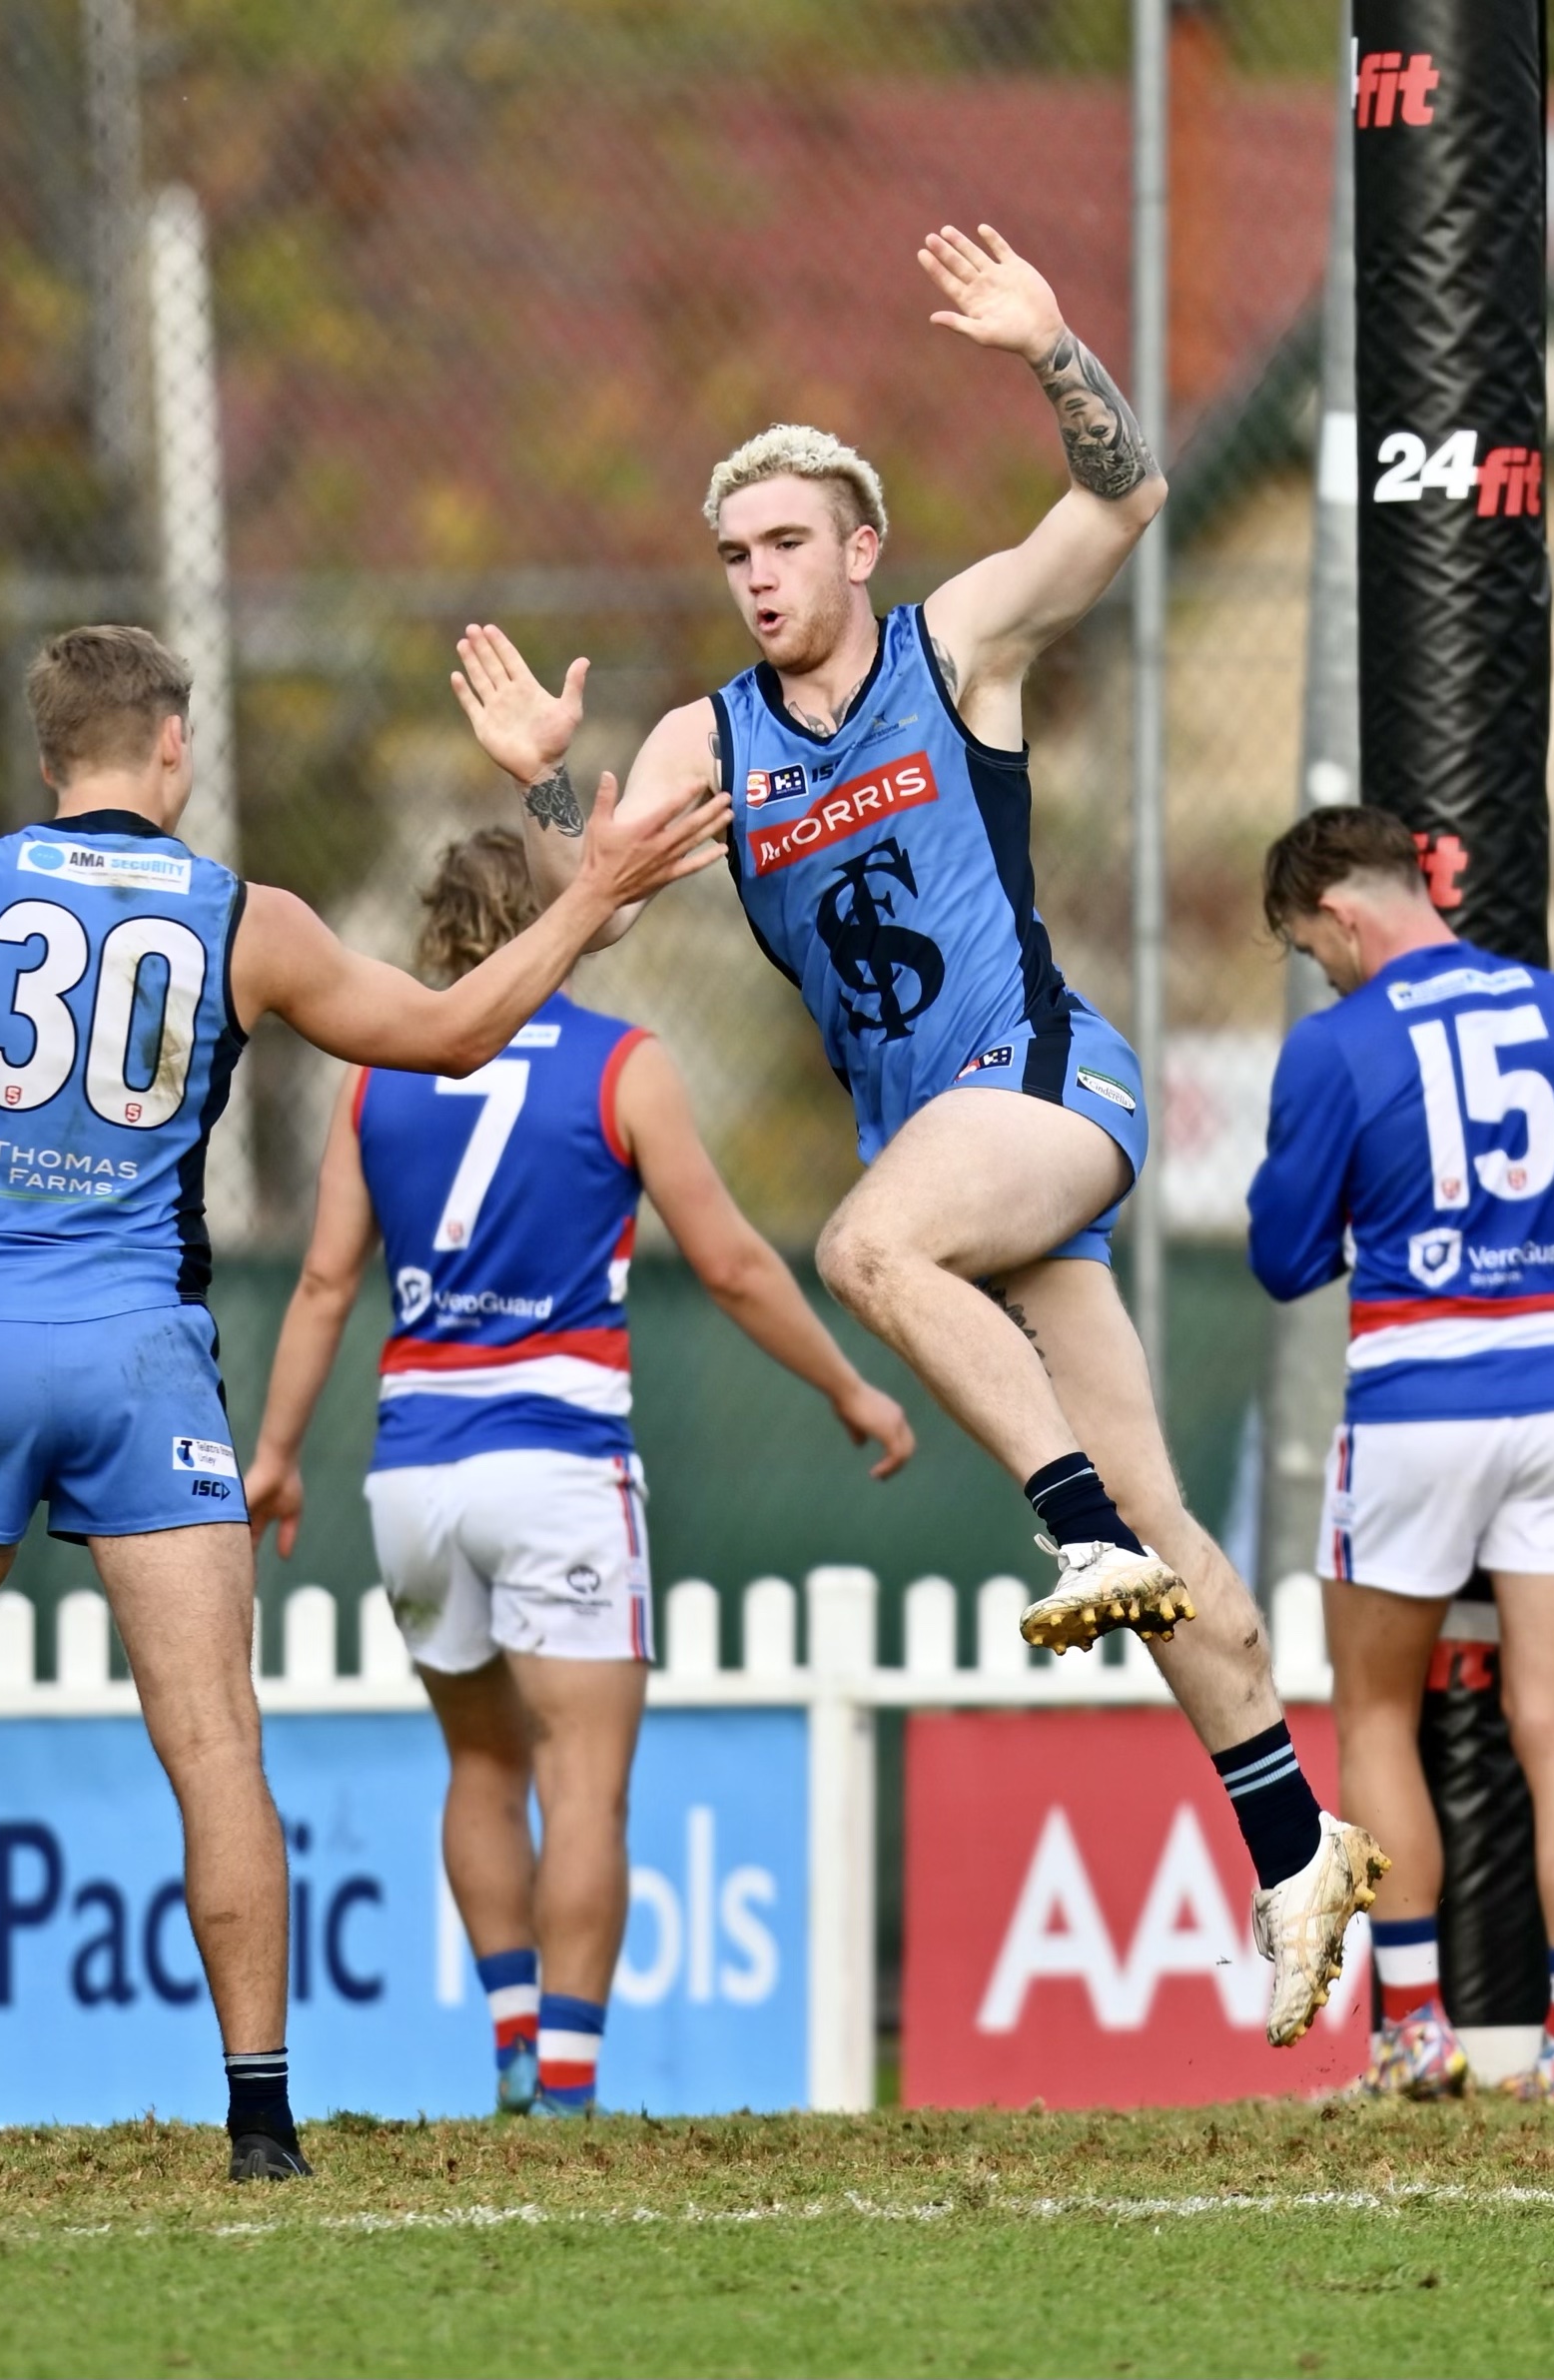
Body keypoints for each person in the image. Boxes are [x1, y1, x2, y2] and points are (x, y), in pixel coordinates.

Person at [446, 223, 1381, 2045]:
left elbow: (1125, 500)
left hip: (1048, 1085)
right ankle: (1297, 1851)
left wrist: (1050, 354)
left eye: (788, 543)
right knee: (1178, 1538)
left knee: (868, 1248)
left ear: (859, 549)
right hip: (968, 1161)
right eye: (734, 554)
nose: (758, 577)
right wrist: (548, 783)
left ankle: (1068, 1533)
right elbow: (601, 902)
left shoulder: (952, 649)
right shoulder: (711, 736)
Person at [0, 626, 726, 2186]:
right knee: (214, 1750)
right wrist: (586, 891)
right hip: (141, 1370)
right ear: (171, 749)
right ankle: (260, 2123)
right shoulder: (246, 921)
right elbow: (453, 1034)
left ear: (51, 759)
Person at [242, 828, 916, 2116]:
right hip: (557, 1461)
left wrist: (277, 1456)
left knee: (480, 1772)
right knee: (584, 1784)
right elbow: (726, 1263)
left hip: (415, 1473)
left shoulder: (377, 1080)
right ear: (559, 921)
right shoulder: (624, 1065)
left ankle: (508, 2038)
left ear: (438, 931)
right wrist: (848, 1387)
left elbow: (327, 1282)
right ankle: (563, 2081)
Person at [1247, 804, 1554, 2103]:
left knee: (1379, 1715)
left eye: (1309, 946)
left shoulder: (1335, 1048)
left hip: (1412, 1410)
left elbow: (1283, 1258)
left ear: (1342, 913)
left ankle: (1415, 2030)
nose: (1320, 971)